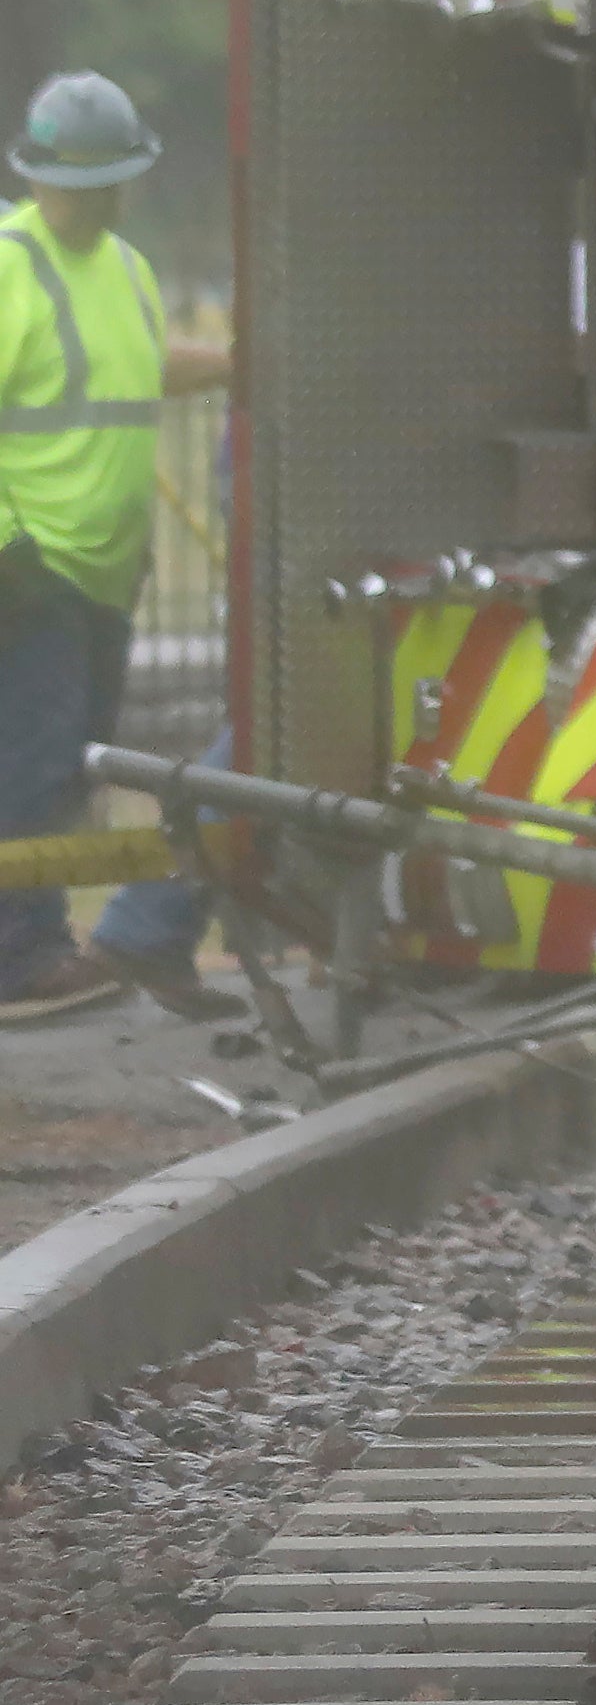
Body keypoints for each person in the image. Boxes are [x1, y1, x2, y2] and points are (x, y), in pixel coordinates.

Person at [0, 75, 235, 1025]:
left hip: (103, 571)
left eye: (110, 184)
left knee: (68, 767)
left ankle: (48, 942)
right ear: (38, 177)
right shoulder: (10, 265)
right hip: (36, 564)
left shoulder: (128, 270)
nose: (94, 200)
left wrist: (233, 360)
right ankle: (23, 953)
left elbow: (134, 370)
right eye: (79, 184)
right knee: (36, 757)